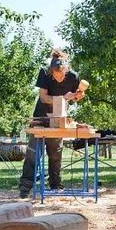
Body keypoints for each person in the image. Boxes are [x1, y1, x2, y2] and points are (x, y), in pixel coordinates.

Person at [19, 49, 85, 198]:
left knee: (55, 154)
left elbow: (77, 97)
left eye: (61, 75)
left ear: (66, 70)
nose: (59, 78)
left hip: (59, 119)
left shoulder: (73, 77)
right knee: (33, 153)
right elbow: (43, 97)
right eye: (56, 76)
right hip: (41, 118)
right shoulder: (44, 73)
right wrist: (63, 97)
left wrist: (77, 95)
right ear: (51, 72)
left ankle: (55, 185)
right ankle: (25, 187)